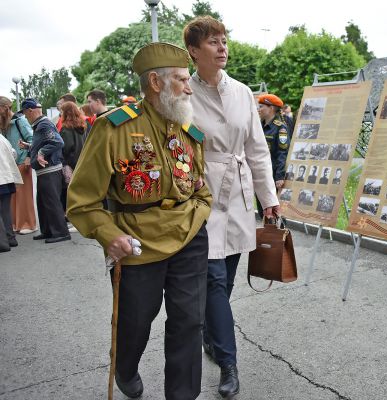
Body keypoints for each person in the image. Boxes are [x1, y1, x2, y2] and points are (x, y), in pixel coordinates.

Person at [67, 42, 212, 400]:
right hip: (135, 242)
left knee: (189, 322)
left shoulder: (188, 132)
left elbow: (199, 186)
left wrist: (201, 210)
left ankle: (182, 395)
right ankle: (125, 366)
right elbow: (82, 201)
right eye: (181, 79)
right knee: (134, 322)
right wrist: (108, 234)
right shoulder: (113, 128)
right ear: (156, 82)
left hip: (189, 234)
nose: (189, 87)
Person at [184, 16, 279, 399]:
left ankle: (211, 334)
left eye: (224, 40)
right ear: (193, 51)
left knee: (225, 278)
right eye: (212, 42)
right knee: (214, 281)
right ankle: (228, 362)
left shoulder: (242, 92)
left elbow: (257, 151)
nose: (222, 47)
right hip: (203, 196)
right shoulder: (183, 94)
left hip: (238, 197)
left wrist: (269, 201)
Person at [19, 98, 70, 244]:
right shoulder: (40, 124)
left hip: (49, 170)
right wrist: (29, 146)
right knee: (43, 202)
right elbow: (47, 142)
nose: (25, 116)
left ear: (30, 110)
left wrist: (41, 152)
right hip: (46, 170)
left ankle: (61, 232)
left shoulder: (43, 125)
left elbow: (58, 142)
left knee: (51, 202)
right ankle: (48, 230)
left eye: (24, 113)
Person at [0, 96, 36, 234]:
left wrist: (28, 156)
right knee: (13, 196)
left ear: (4, 108)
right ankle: (16, 224)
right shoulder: (5, 124)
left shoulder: (20, 121)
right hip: (11, 164)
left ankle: (28, 224)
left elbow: (33, 139)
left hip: (22, 162)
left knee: (24, 196)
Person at [256, 93, 290, 217]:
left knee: (275, 212)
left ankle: (279, 235)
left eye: (262, 106)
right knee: (262, 210)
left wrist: (280, 176)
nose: (259, 109)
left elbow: (282, 153)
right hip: (259, 173)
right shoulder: (258, 126)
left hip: (272, 175)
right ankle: (267, 235)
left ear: (271, 108)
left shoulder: (280, 128)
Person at [59, 101, 86, 214]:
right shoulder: (83, 125)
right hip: (82, 162)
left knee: (69, 192)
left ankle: (73, 215)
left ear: (66, 113)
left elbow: (66, 147)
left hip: (70, 164)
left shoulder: (66, 128)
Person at [0, 133, 23, 251]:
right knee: (5, 210)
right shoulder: (2, 138)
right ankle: (11, 238)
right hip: (7, 178)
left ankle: (2, 243)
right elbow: (13, 153)